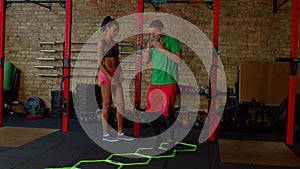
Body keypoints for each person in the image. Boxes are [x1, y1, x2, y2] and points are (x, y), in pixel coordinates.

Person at [143, 19, 182, 148]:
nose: (152, 35)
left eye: (154, 33)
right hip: (156, 81)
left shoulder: (173, 41)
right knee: (150, 111)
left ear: (161, 30)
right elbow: (146, 61)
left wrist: (163, 49)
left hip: (169, 81)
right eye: (151, 33)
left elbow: (178, 60)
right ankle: (157, 136)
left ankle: (171, 141)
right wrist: (148, 49)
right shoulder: (153, 43)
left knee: (168, 112)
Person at [97, 16, 134, 142]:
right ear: (108, 28)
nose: (116, 32)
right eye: (114, 29)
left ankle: (120, 132)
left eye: (117, 30)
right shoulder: (102, 43)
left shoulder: (115, 44)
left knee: (121, 104)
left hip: (116, 75)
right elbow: (100, 64)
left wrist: (121, 72)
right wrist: (110, 77)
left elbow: (117, 61)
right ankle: (105, 134)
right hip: (106, 74)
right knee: (107, 104)